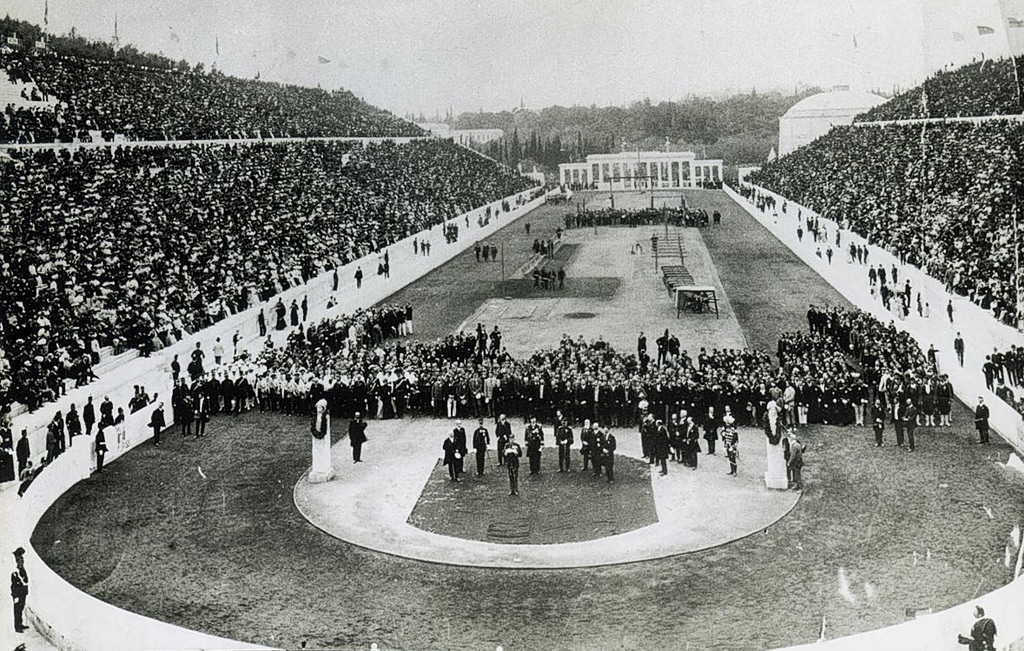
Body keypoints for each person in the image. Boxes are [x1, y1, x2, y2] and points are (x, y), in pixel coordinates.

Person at [11, 547, 28, 633]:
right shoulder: (15, 572)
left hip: (22, 592)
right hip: (18, 593)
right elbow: (14, 585)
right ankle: (17, 627)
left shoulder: (20, 569)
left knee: (20, 609)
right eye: (20, 560)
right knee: (17, 610)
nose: (22, 562)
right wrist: (15, 596)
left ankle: (20, 624)